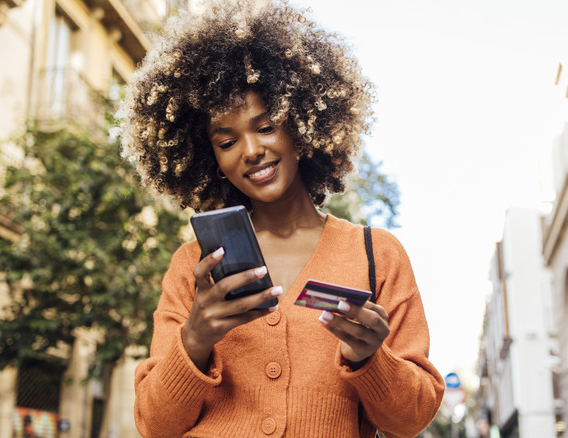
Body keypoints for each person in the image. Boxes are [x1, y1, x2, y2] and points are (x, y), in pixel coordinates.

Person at [118, 1, 445, 437]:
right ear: (211, 156)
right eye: (227, 140)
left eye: (266, 126)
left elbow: (412, 419)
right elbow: (154, 425)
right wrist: (195, 338)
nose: (250, 150)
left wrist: (371, 359)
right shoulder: (195, 266)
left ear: (303, 127)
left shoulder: (376, 254)